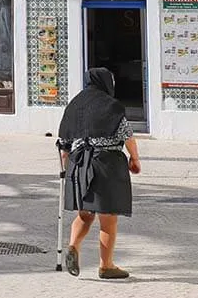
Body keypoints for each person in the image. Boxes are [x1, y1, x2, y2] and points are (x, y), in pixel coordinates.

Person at [57, 67, 141, 280]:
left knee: (85, 214)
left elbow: (64, 144)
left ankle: (73, 246)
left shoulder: (74, 105)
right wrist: (135, 159)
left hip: (78, 164)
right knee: (108, 218)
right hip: (106, 164)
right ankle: (106, 266)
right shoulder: (111, 106)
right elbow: (127, 135)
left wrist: (67, 171)